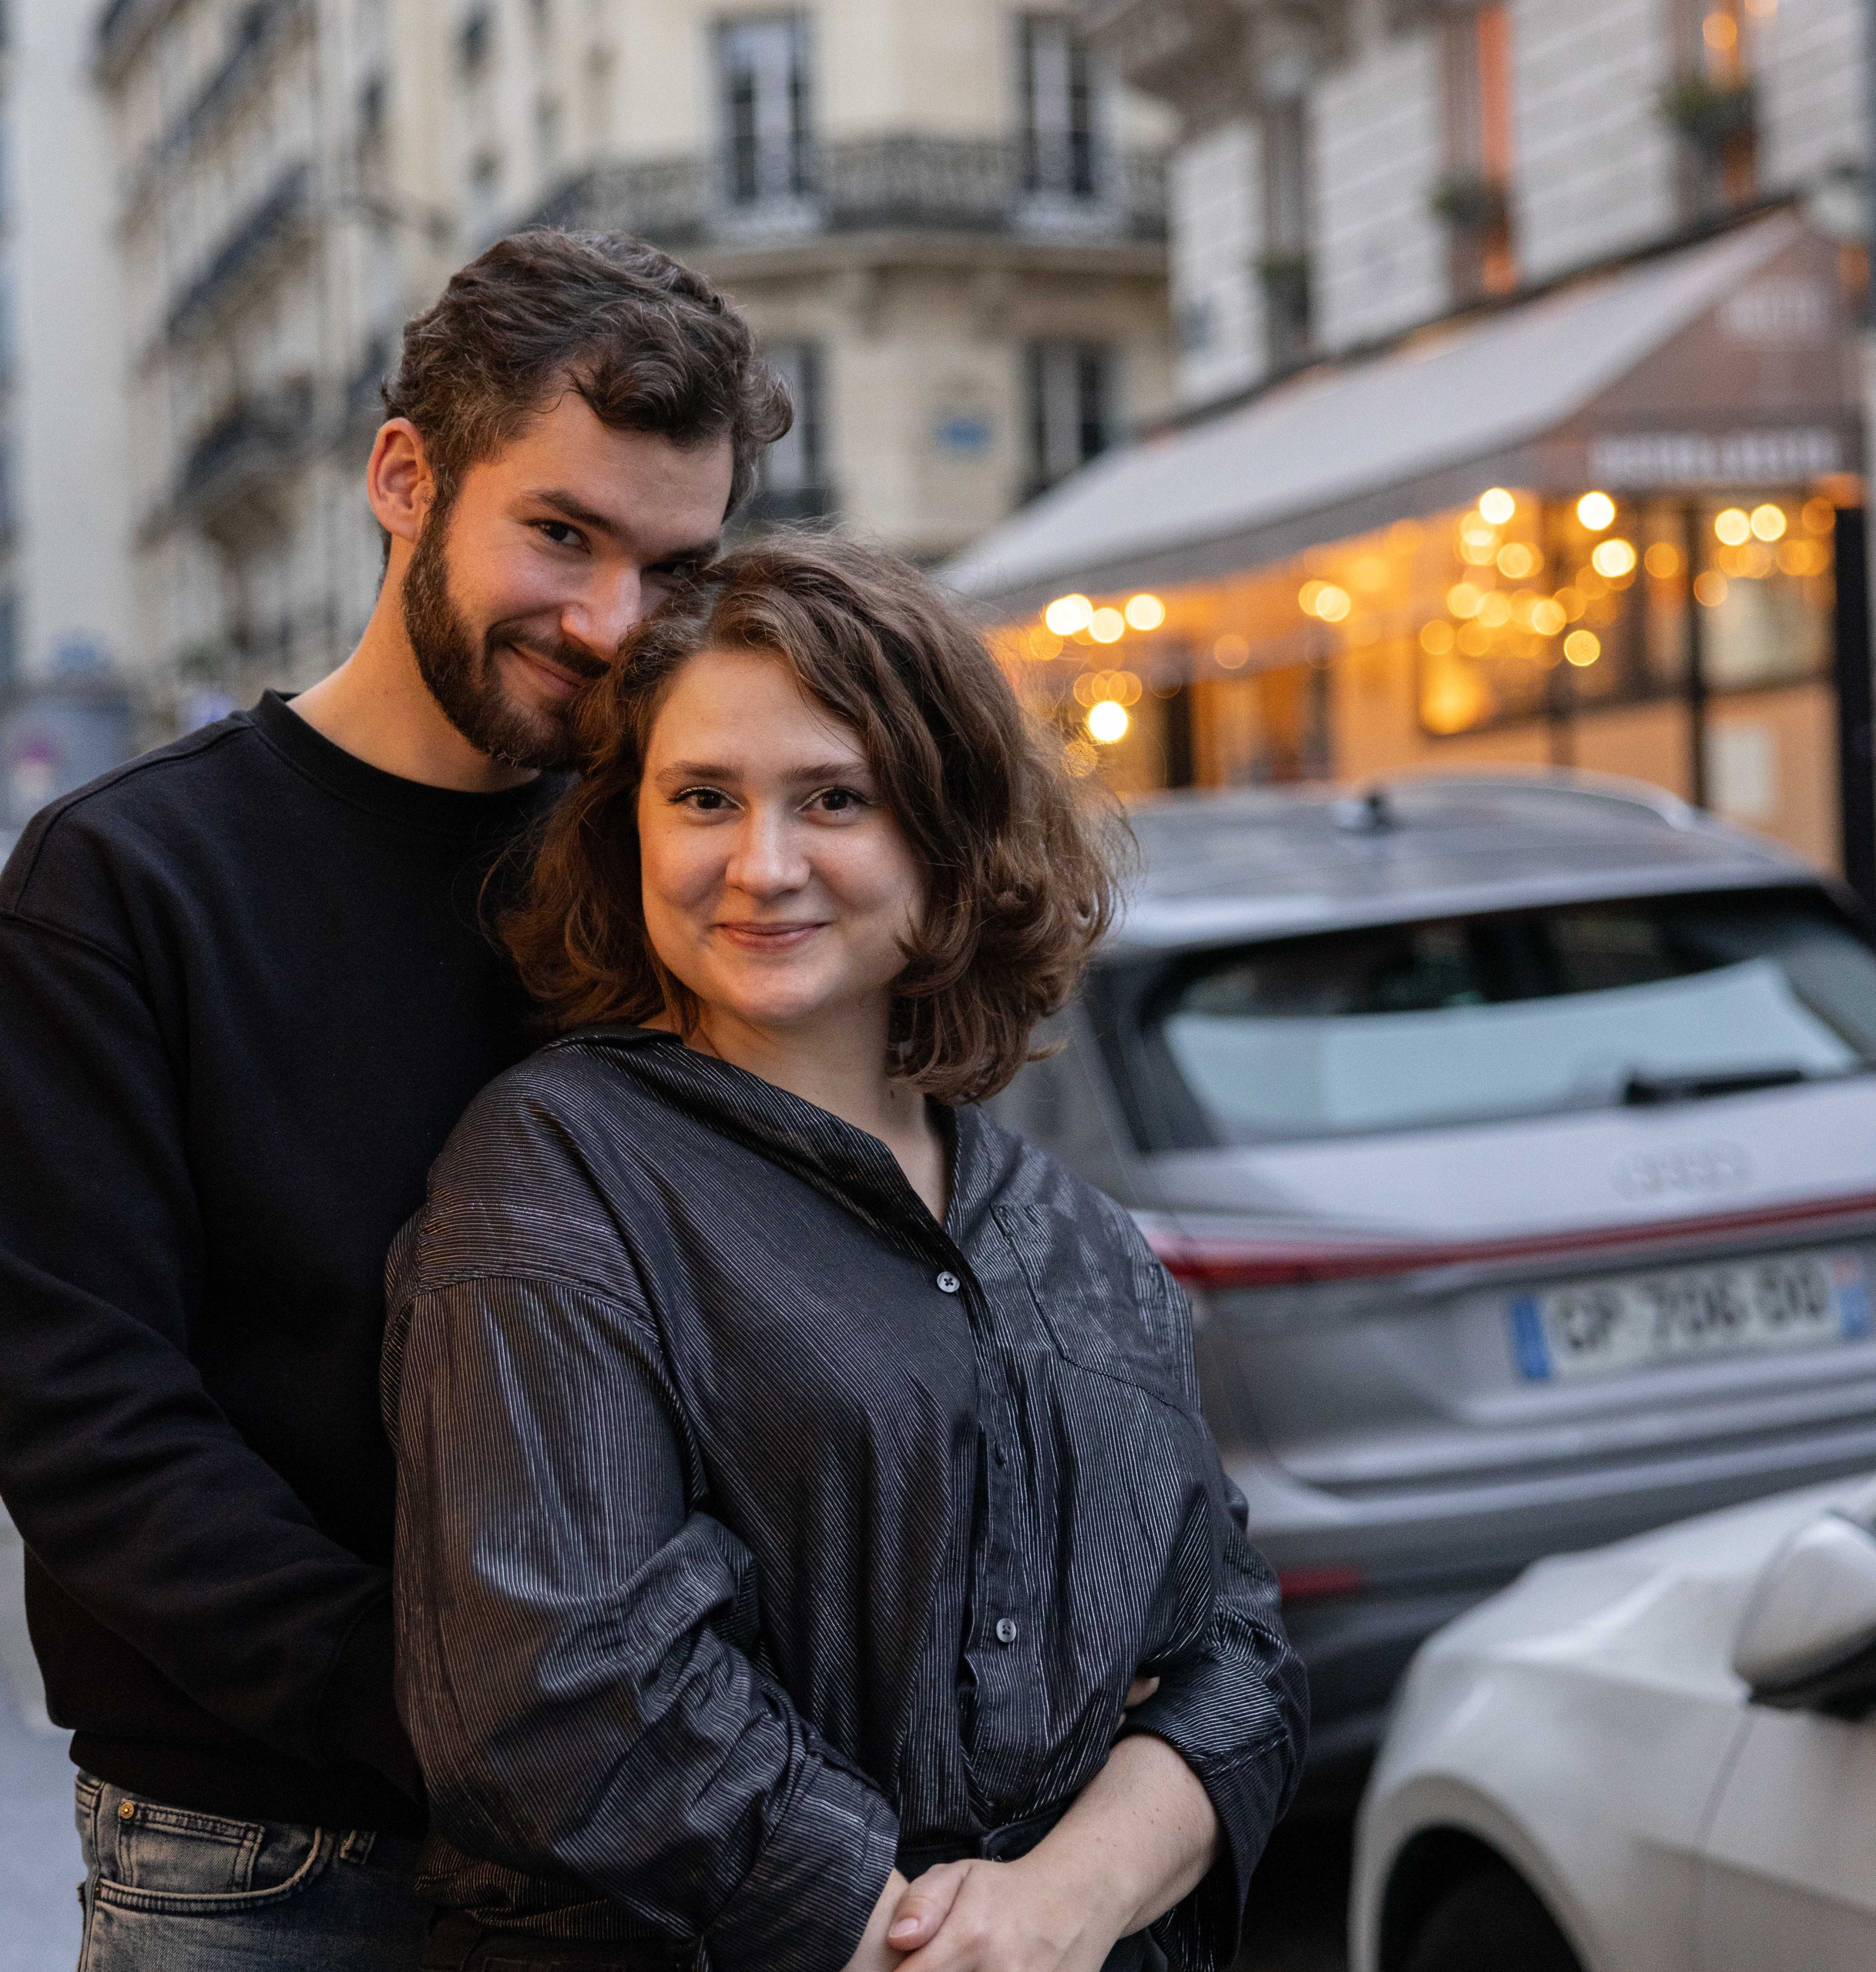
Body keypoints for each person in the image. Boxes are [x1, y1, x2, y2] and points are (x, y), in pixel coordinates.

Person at [0, 230, 788, 1970]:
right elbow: (80, 1409)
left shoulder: (680, 862)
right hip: (267, 1844)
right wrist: (465, 1714)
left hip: (650, 1818)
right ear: (403, 477)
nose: (608, 624)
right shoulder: (126, 875)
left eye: (670, 567)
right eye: (560, 534)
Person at [385, 535, 1309, 1972]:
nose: (761, 865)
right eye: (703, 799)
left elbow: (1234, 1661)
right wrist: (918, 1940)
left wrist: (1066, 1902)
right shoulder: (560, 1167)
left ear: (950, 837)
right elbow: (553, 1687)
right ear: (632, 828)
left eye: (834, 799)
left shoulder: (1071, 1235)